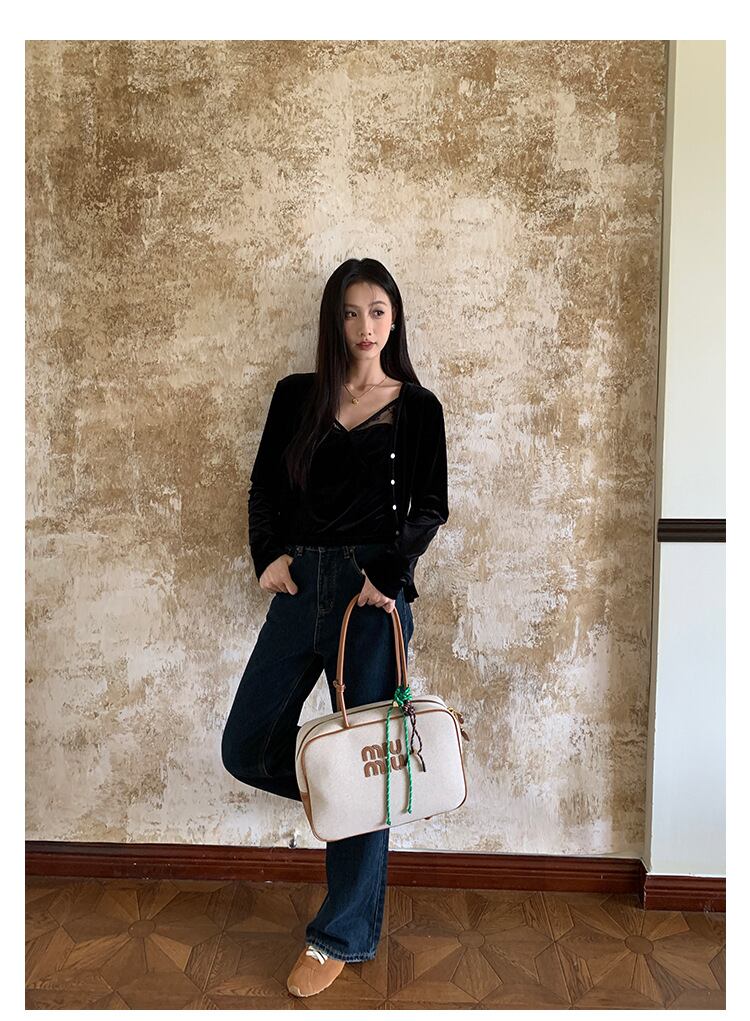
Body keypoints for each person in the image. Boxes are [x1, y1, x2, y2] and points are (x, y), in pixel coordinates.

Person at [220, 257, 449, 998]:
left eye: (377, 310)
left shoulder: (418, 407)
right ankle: (351, 801)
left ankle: (340, 935)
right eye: (350, 312)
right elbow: (264, 483)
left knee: (365, 760)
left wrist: (389, 574)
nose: (364, 326)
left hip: (371, 598)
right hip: (300, 586)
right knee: (247, 744)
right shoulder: (297, 396)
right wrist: (267, 555)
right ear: (333, 320)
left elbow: (430, 505)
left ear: (395, 317)